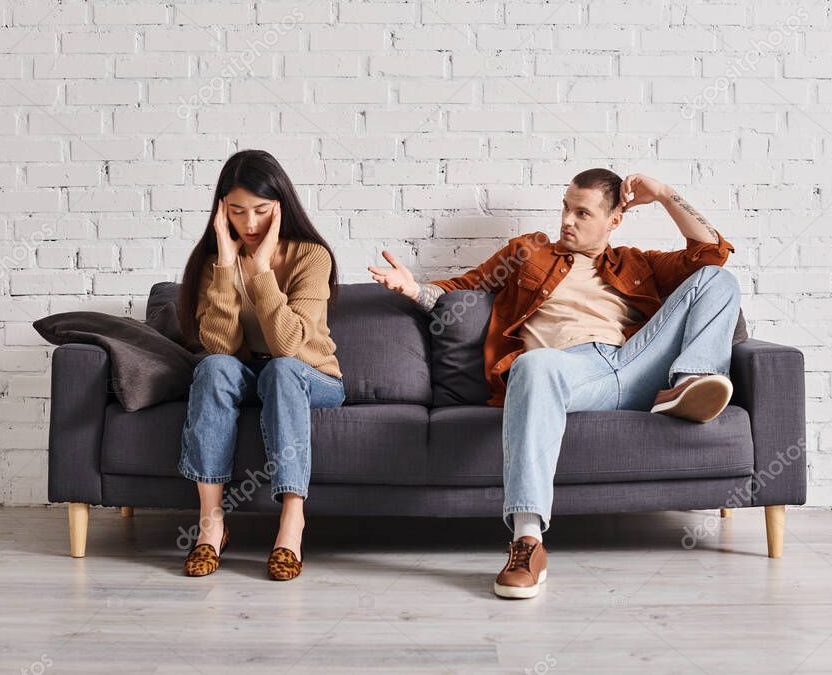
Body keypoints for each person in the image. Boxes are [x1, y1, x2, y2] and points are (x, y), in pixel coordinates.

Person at [368, 169, 741, 599]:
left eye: (583, 213)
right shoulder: (527, 252)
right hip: (569, 373)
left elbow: (712, 252)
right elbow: (460, 291)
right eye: (566, 207)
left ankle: (688, 382)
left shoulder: (637, 263)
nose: (567, 220)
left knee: (717, 279)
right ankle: (527, 541)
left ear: (613, 221)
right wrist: (414, 290)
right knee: (533, 365)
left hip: (636, 365)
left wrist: (663, 193)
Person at [176, 149, 344, 580]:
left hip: (310, 375)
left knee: (281, 369)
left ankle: (292, 524)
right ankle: (212, 525)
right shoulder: (213, 262)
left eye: (261, 211)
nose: (249, 225)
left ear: (280, 207)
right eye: (237, 211)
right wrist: (227, 267)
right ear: (221, 212)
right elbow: (219, 346)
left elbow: (288, 344)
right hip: (250, 373)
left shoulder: (311, 256)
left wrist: (262, 271)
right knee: (213, 368)